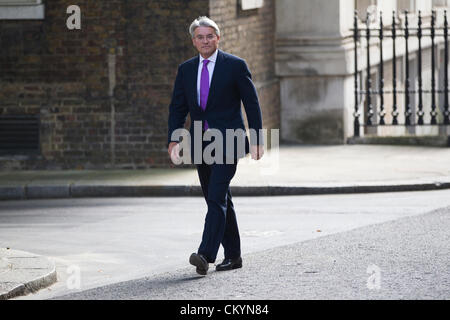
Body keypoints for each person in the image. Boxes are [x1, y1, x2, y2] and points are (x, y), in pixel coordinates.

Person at [167, 16, 264, 276]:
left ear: (218, 38)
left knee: (216, 197)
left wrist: (257, 139)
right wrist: (174, 139)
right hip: (200, 142)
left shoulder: (235, 66)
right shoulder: (186, 69)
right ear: (194, 41)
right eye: (200, 37)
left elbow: (251, 104)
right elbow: (178, 107)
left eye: (210, 36)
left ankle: (205, 254)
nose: (205, 40)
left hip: (229, 141)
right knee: (221, 199)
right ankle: (233, 256)